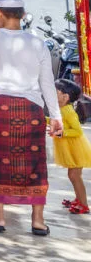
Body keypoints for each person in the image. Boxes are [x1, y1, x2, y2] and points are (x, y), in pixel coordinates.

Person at [0, 0, 63, 236]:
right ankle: (38, 221)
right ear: (22, 14)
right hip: (31, 107)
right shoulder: (37, 42)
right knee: (34, 162)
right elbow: (47, 83)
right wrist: (56, 116)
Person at [53, 78, 91, 215]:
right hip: (71, 148)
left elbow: (77, 131)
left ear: (65, 97)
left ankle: (84, 205)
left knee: (74, 175)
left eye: (55, 92)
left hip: (76, 148)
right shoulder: (61, 109)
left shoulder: (68, 111)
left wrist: (62, 133)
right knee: (74, 175)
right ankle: (78, 199)